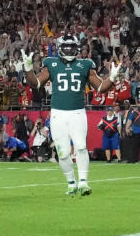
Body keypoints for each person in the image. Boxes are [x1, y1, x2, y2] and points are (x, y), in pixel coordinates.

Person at [22, 34, 120, 195]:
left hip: (77, 113)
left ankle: (83, 182)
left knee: (81, 147)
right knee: (63, 152)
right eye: (65, 47)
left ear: (77, 49)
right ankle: (71, 183)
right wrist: (27, 69)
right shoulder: (51, 63)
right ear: (60, 48)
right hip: (58, 115)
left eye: (71, 47)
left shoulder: (85, 64)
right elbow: (36, 83)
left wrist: (113, 77)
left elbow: (101, 87)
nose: (69, 50)